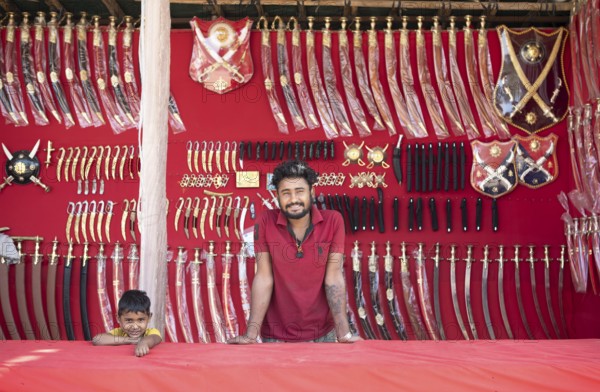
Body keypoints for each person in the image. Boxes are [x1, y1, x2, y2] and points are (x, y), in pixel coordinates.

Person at [229, 160, 361, 343]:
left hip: (323, 334)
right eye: (286, 193)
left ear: (312, 192)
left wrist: (343, 333)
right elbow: (264, 277)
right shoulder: (265, 221)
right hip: (275, 336)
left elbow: (334, 278)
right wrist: (251, 335)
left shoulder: (333, 221)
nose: (293, 199)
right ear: (277, 196)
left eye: (299, 191)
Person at [92, 290, 162, 356]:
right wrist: (131, 340)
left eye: (140, 320)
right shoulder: (119, 332)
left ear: (149, 317)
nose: (135, 327)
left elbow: (154, 338)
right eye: (129, 320)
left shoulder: (150, 332)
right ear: (118, 318)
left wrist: (144, 342)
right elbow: (97, 339)